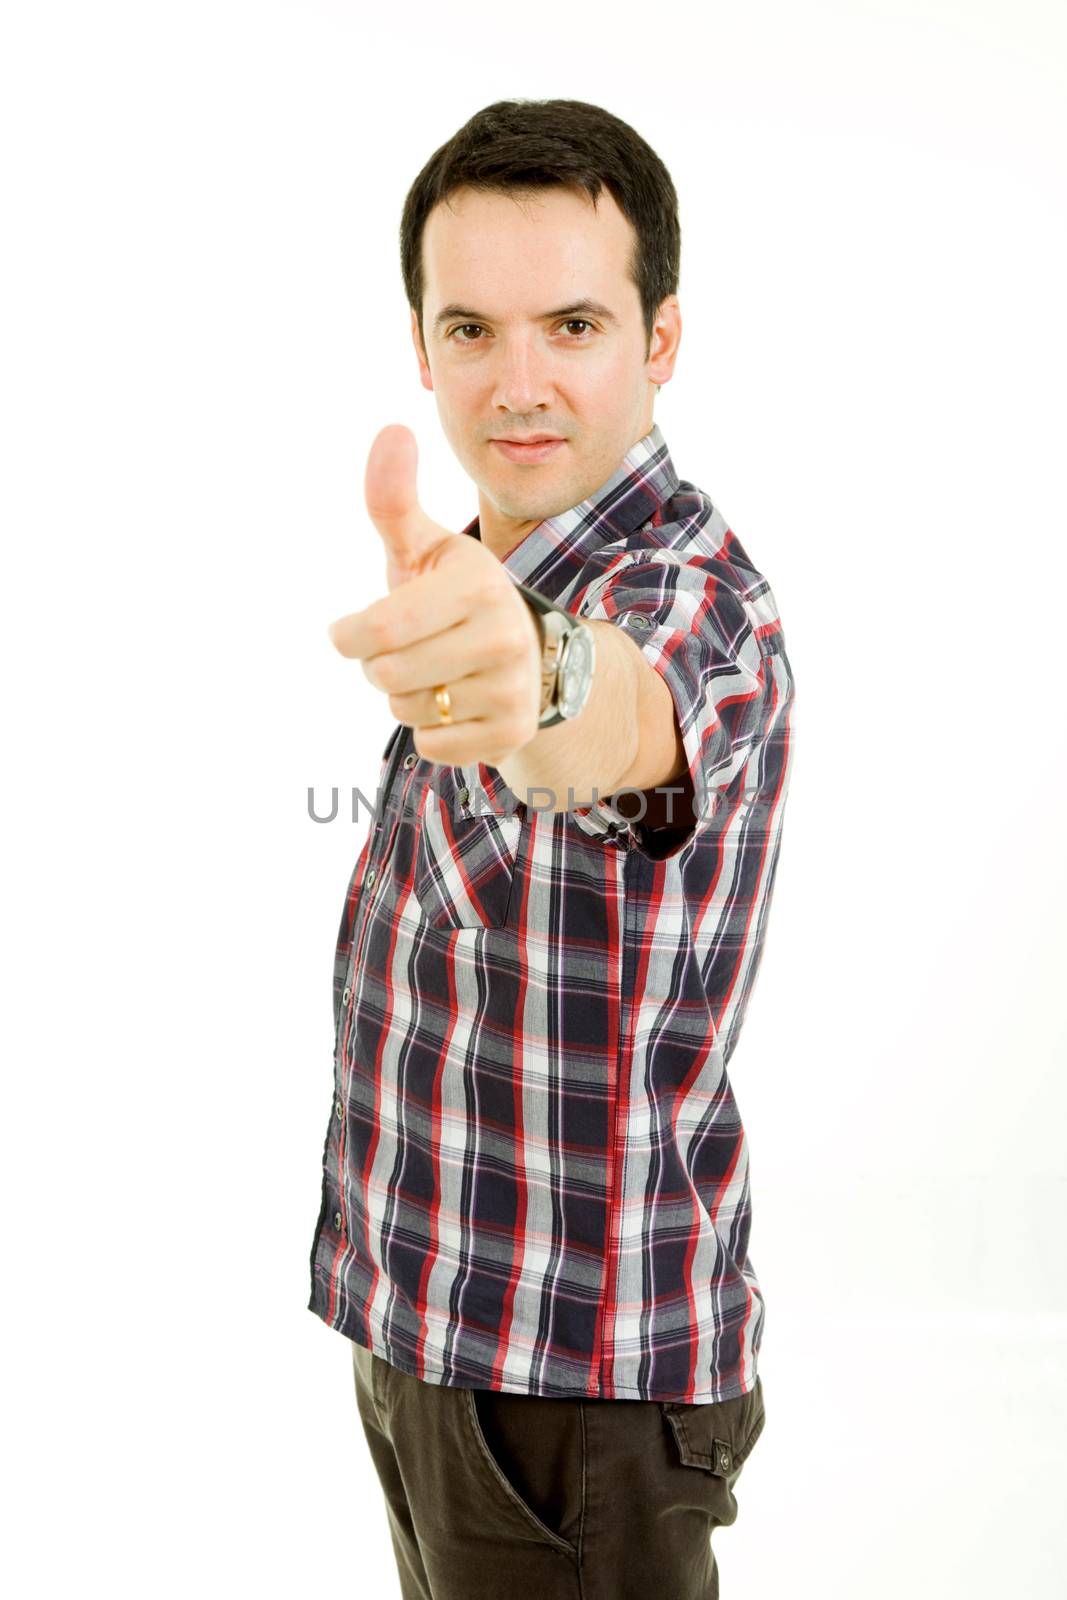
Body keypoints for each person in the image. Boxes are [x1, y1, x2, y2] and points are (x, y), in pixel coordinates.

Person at [307, 96, 796, 1600]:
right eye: (473, 330)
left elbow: (627, 721)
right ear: (422, 344)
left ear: (659, 342)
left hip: (577, 1395)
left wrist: (546, 679)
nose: (517, 384)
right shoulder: (477, 570)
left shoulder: (693, 603)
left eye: (573, 325)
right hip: (437, 1335)